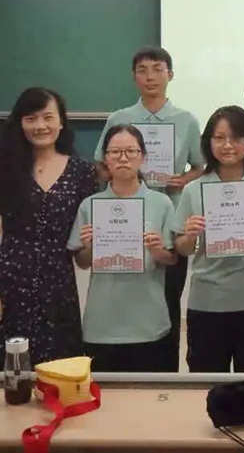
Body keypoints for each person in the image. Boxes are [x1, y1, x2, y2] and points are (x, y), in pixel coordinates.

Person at [0, 87, 98, 370]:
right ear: (20, 123)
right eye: (31, 118)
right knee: (6, 370)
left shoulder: (83, 173)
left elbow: (82, 256)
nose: (40, 125)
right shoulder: (2, 168)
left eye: (48, 117)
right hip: (9, 282)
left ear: (61, 122)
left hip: (59, 287)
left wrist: (91, 246)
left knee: (58, 373)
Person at [95, 46, 203, 371]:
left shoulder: (186, 120)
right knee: (126, 296)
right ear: (134, 77)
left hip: (169, 218)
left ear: (170, 74)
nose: (150, 77)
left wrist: (182, 179)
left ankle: (164, 372)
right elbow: (100, 164)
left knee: (168, 300)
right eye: (142, 70)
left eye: (157, 69)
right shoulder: (119, 119)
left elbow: (200, 167)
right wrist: (123, 178)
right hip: (121, 223)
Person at [173, 106, 244, 372]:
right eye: (219, 138)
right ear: (208, 142)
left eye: (236, 138)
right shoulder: (193, 190)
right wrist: (189, 235)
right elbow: (182, 249)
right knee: (208, 382)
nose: (227, 145)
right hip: (207, 301)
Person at [69, 125, 178, 372]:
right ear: (105, 158)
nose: (123, 158)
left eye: (131, 151)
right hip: (102, 324)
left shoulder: (161, 203)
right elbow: (82, 262)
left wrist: (157, 250)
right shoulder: (90, 205)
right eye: (115, 152)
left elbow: (171, 258)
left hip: (149, 322)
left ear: (143, 157)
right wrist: (90, 247)